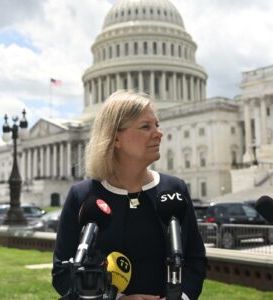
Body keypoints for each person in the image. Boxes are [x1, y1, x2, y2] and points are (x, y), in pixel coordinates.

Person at [51, 90, 206, 300]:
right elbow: (62, 274)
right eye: (146, 126)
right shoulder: (83, 196)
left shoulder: (174, 190)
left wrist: (181, 297)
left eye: (157, 125)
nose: (159, 133)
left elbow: (195, 260)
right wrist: (118, 298)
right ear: (115, 138)